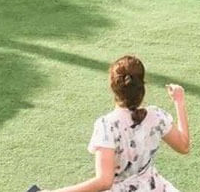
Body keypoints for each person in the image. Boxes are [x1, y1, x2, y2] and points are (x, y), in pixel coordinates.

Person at [44, 55, 191, 192]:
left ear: (113, 86)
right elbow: (184, 146)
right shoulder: (156, 115)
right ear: (142, 86)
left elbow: (104, 181)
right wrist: (179, 101)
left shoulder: (107, 125)